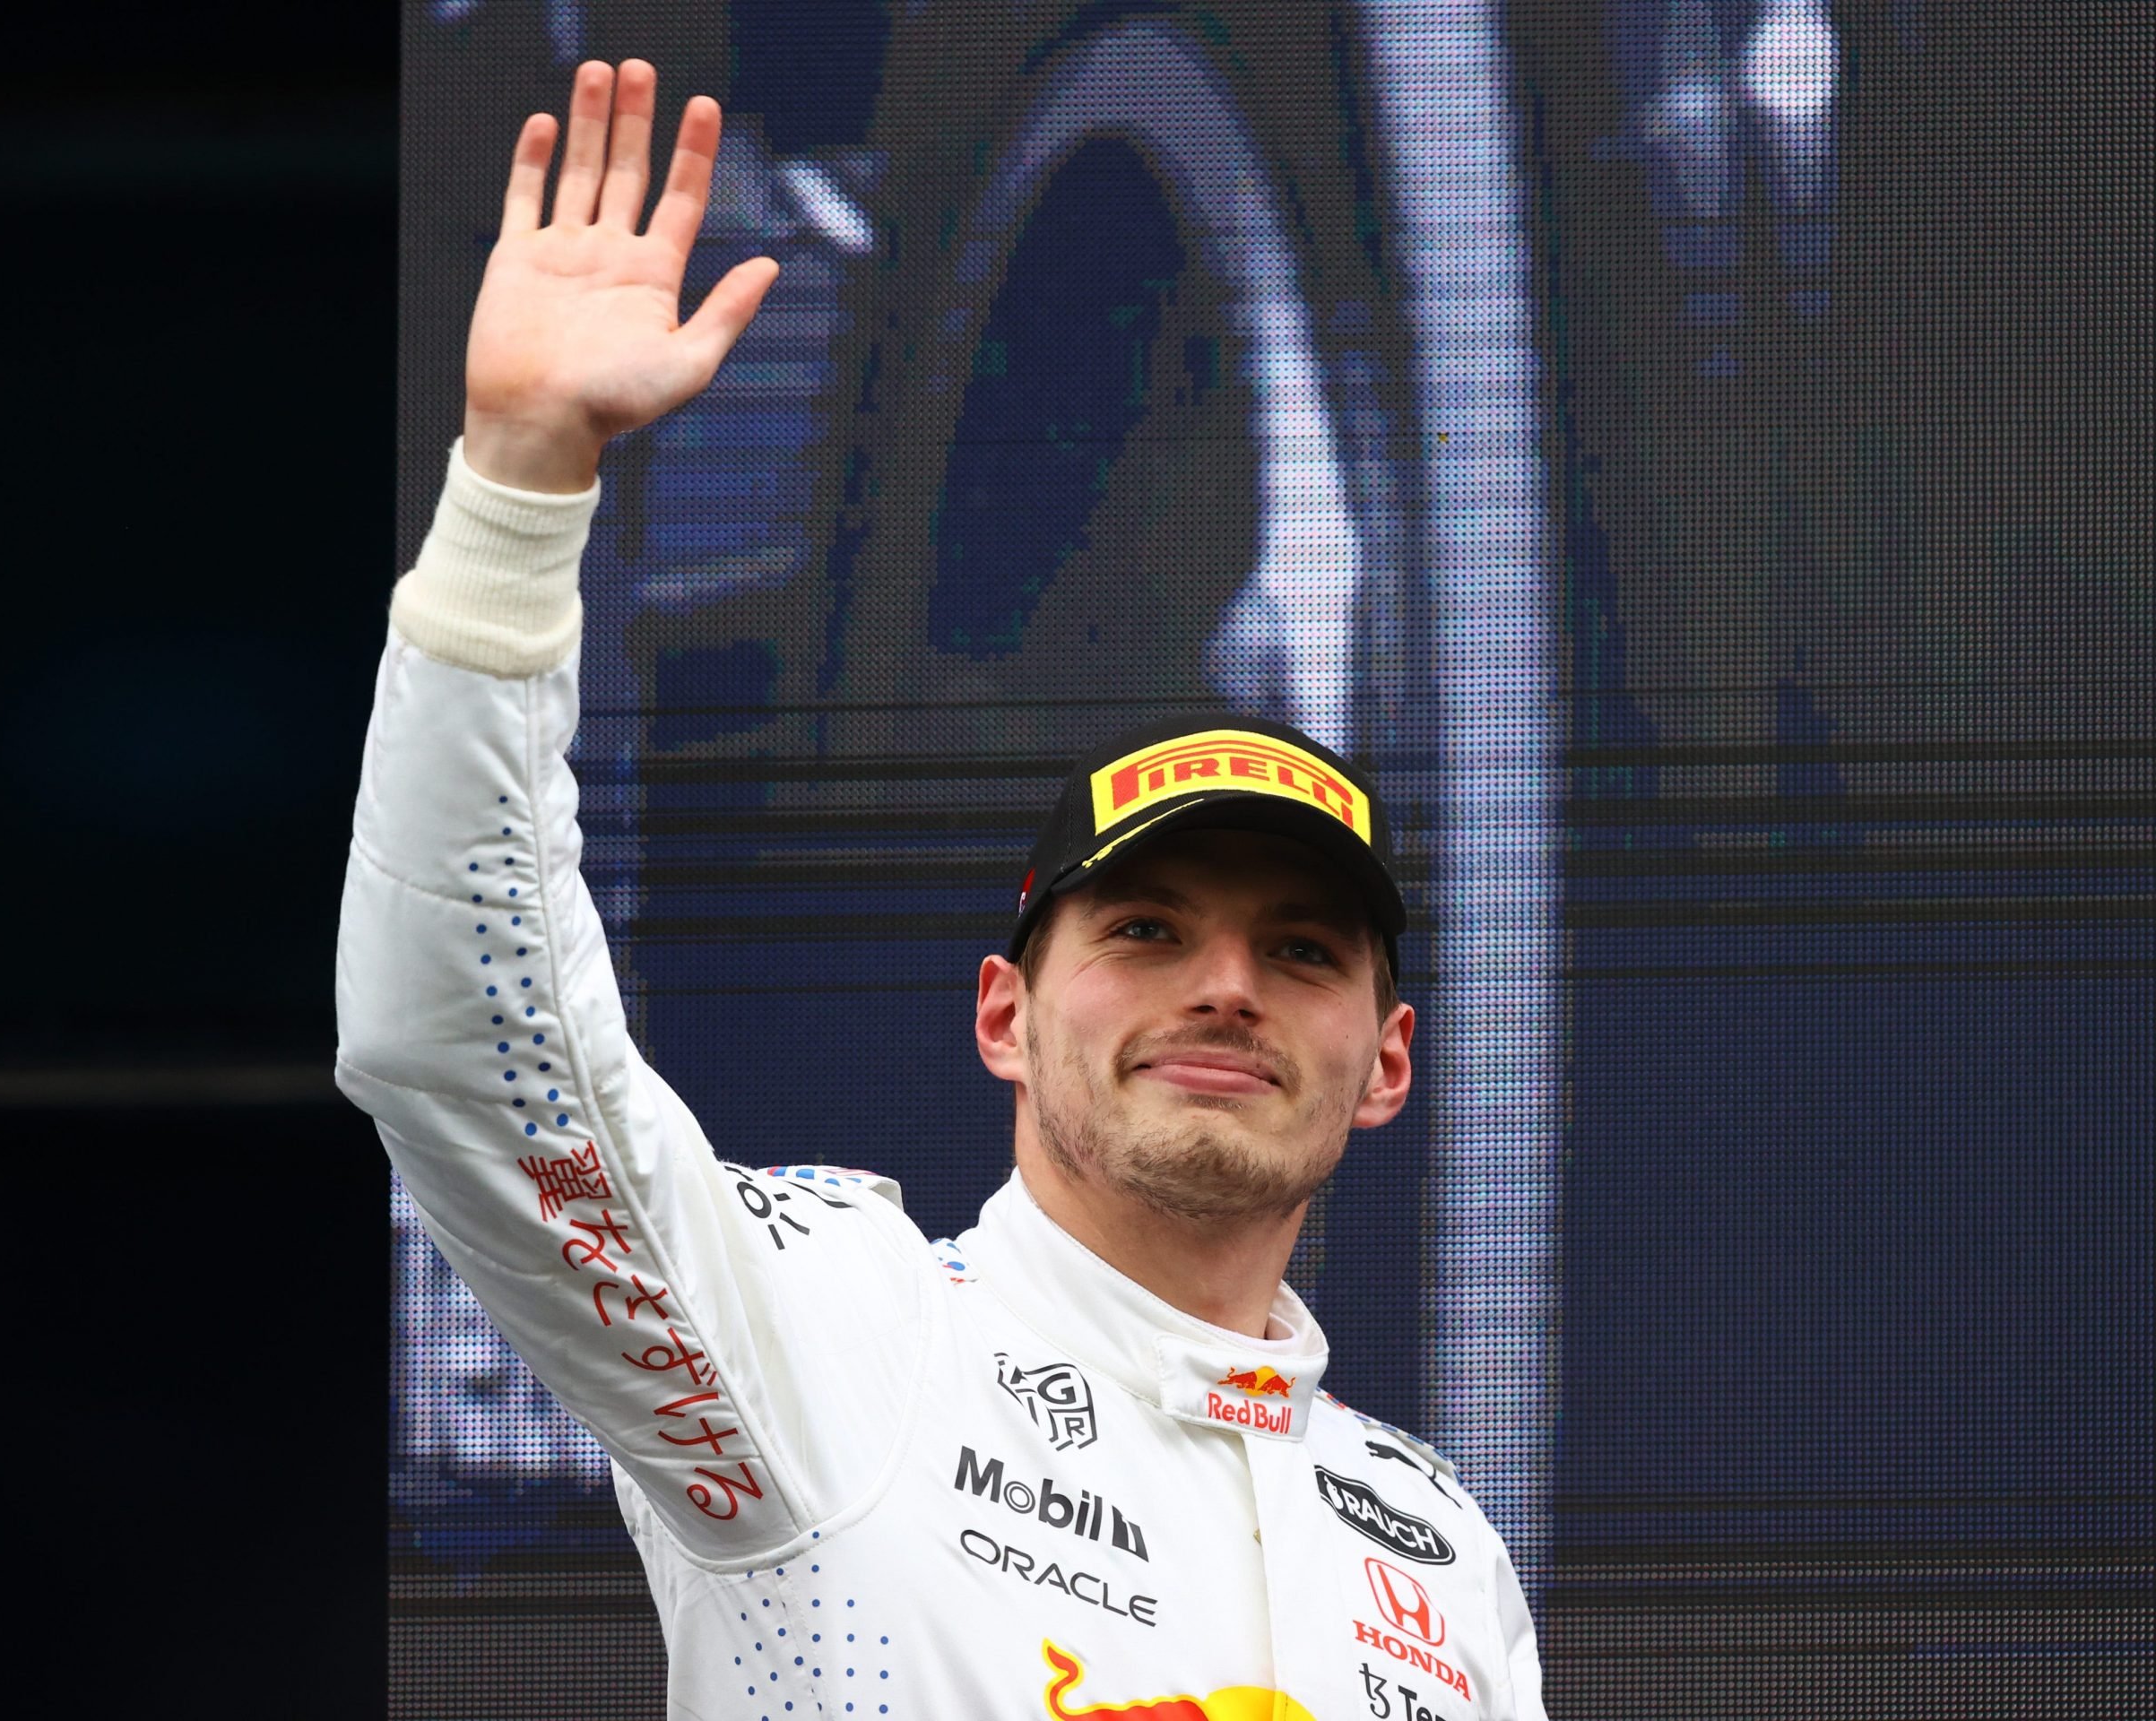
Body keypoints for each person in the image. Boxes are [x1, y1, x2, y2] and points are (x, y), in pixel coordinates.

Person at [339, 56, 1547, 1721]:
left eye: (1301, 949)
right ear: (1003, 1013)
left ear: (1391, 1059)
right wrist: (519, 489)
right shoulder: (830, 1333)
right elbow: (468, 1048)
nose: (1226, 986)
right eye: (1144, 929)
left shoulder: (1437, 1551)